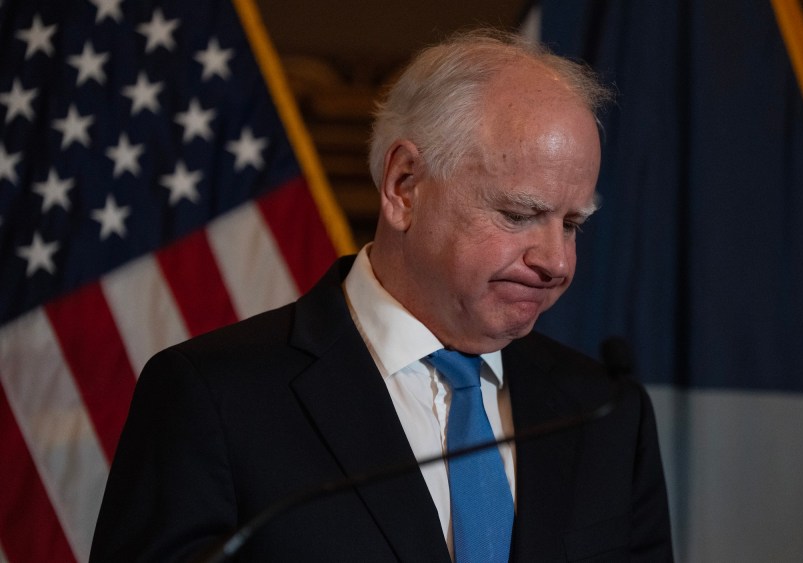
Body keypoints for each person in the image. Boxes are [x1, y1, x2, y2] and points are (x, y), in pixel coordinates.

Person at [91, 29, 673, 562]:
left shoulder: (606, 414)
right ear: (404, 186)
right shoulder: (213, 398)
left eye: (572, 224)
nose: (557, 261)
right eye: (520, 214)